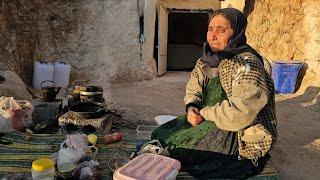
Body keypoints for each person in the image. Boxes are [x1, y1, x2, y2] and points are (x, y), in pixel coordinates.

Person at [151, 8, 277, 179]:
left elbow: (240, 114)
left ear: (237, 33)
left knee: (181, 151)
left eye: (221, 30)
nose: (213, 36)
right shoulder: (206, 60)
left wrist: (204, 113)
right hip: (210, 119)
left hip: (237, 130)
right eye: (210, 29)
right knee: (161, 135)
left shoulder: (248, 65)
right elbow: (193, 88)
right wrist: (191, 108)